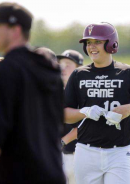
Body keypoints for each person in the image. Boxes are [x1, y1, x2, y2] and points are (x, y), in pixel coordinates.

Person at [0, 2, 66, 183]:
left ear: (15, 30)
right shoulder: (49, 68)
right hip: (52, 172)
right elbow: (57, 124)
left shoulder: (6, 68)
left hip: (16, 174)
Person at [64, 22, 130, 184]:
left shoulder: (128, 73)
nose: (91, 47)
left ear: (111, 44)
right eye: (88, 43)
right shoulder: (78, 75)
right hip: (86, 152)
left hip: (119, 153)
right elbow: (65, 115)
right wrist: (85, 112)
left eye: (97, 42)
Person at [57, 50, 84, 184]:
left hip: (80, 154)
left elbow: (86, 125)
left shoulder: (84, 94)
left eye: (68, 64)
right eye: (61, 64)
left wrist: (62, 141)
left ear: (79, 68)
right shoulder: (55, 93)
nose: (63, 67)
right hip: (58, 154)